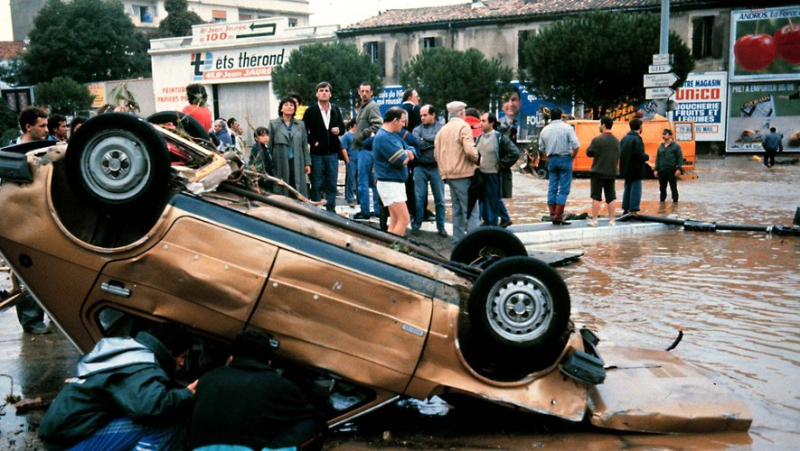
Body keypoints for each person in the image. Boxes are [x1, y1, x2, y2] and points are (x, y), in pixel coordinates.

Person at [39, 323, 197, 450]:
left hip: (62, 436)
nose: (182, 364)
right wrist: (187, 393)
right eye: (182, 357)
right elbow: (151, 407)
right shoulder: (141, 367)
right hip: (69, 444)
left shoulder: (127, 349)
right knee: (166, 422)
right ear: (168, 351)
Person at [188, 330, 323, 451]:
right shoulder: (280, 386)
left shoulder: (207, 379)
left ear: (231, 357)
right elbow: (314, 420)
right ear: (269, 362)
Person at [12, 107, 50, 334]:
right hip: (20, 218)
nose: (46, 130)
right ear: (28, 127)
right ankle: (31, 320)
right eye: (42, 126)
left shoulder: (47, 148)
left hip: (43, 215)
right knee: (24, 269)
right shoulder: (11, 150)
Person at [435, 101, 479, 242]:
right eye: (464, 111)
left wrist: (443, 172)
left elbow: (436, 154)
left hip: (448, 175)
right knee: (471, 211)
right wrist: (481, 160)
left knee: (457, 211)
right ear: (461, 112)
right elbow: (470, 150)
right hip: (464, 174)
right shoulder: (463, 126)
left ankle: (458, 243)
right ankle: (474, 244)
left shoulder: (442, 130)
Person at [303, 81, 346, 213]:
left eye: (326, 90)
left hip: (332, 153)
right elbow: (304, 131)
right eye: (321, 90)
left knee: (331, 183)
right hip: (317, 154)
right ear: (317, 94)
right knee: (316, 183)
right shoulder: (311, 111)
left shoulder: (335, 109)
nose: (324, 93)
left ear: (330, 94)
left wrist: (338, 130)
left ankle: (331, 210)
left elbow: (343, 128)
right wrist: (313, 142)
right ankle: (316, 210)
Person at [373, 108, 416, 236]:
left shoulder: (392, 136)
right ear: (395, 120)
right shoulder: (383, 137)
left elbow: (411, 148)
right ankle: (394, 250)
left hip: (395, 183)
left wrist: (407, 152)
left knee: (395, 220)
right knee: (404, 219)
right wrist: (407, 154)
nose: (404, 125)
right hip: (390, 183)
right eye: (402, 121)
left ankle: (388, 248)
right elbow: (401, 160)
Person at [476, 112, 520, 227]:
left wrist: (501, 164)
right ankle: (487, 225)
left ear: (491, 123)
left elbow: (515, 153)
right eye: (480, 120)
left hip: (493, 175)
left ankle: (492, 227)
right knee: (483, 202)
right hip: (481, 175)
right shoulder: (479, 138)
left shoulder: (499, 137)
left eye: (483, 121)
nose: (480, 123)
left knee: (492, 203)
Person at [538, 107, 579, 225]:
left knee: (552, 188)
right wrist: (572, 157)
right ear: (561, 115)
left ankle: (552, 213)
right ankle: (558, 215)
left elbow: (541, 148)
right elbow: (576, 145)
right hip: (565, 158)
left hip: (552, 160)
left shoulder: (545, 130)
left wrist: (548, 157)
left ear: (550, 116)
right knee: (564, 189)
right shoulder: (567, 128)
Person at [411, 104, 446, 236]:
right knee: (419, 198)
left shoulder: (441, 128)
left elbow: (441, 142)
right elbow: (416, 144)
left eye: (425, 115)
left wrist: (425, 141)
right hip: (420, 167)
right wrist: (432, 142)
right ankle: (416, 224)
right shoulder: (417, 129)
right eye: (421, 115)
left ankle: (441, 227)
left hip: (436, 167)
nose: (422, 117)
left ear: (433, 115)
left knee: (440, 199)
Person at [352, 82, 383, 220]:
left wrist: (363, 134)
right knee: (372, 181)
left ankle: (365, 211)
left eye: (367, 91)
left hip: (366, 148)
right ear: (359, 92)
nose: (364, 93)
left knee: (362, 180)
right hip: (365, 148)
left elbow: (378, 124)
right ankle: (376, 210)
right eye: (362, 91)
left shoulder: (372, 106)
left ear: (371, 93)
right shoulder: (364, 107)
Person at [269, 97, 311, 198]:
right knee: (282, 187)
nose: (289, 107)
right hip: (280, 161)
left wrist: (307, 163)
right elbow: (270, 145)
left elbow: (304, 145)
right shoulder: (273, 124)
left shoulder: (300, 124)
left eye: (291, 105)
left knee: (297, 186)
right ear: (281, 109)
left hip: (297, 161)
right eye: (286, 105)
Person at [586, 116, 620, 227]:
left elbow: (589, 153)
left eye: (600, 124)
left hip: (597, 172)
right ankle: (611, 220)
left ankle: (595, 220)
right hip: (612, 172)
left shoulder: (597, 140)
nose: (599, 126)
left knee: (596, 196)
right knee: (611, 197)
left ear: (604, 125)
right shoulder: (616, 141)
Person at [619, 118, 649, 215]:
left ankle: (625, 208)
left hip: (625, 168)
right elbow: (639, 154)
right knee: (636, 188)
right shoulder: (637, 139)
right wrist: (647, 157)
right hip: (636, 169)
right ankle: (634, 209)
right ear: (640, 127)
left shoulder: (624, 138)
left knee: (627, 188)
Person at [654, 128, 683, 203]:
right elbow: (658, 158)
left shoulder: (676, 146)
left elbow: (680, 158)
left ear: (670, 136)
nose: (663, 135)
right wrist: (656, 169)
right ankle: (662, 203)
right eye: (662, 134)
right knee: (662, 189)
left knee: (673, 188)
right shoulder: (661, 146)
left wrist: (679, 169)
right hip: (662, 171)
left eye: (665, 134)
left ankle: (675, 203)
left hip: (672, 171)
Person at [249, 126, 274, 190]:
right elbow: (259, 165)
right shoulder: (258, 148)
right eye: (263, 136)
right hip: (262, 178)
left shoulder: (264, 147)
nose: (266, 138)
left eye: (267, 135)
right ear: (256, 138)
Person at [341, 119, 358, 206]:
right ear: (355, 124)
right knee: (351, 180)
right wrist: (347, 159)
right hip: (352, 160)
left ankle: (359, 198)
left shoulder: (361, 135)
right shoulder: (347, 136)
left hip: (360, 160)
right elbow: (343, 148)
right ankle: (350, 198)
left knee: (359, 180)